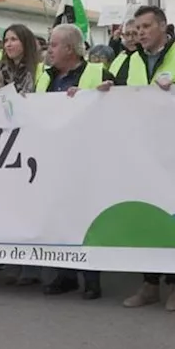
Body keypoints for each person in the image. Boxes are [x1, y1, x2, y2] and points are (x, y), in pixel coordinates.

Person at [115, 6, 175, 311]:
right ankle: (149, 285)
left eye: (146, 26)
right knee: (146, 219)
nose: (140, 32)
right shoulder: (130, 61)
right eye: (137, 27)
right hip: (141, 152)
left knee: (172, 218)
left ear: (163, 27)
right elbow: (115, 98)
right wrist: (104, 89)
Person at [36, 24, 111, 299]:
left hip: (87, 159)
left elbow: (122, 103)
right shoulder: (45, 77)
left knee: (87, 218)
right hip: (54, 158)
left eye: (53, 44)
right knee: (59, 215)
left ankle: (91, 277)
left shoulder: (96, 72)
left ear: (70, 48)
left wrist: (105, 92)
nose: (49, 50)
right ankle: (64, 274)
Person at [0, 23, 47, 286]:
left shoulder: (40, 68)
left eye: (14, 39)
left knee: (32, 202)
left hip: (35, 137)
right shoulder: (1, 69)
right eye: (6, 40)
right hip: (9, 138)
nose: (9, 44)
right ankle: (14, 259)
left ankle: (33, 265)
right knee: (13, 203)